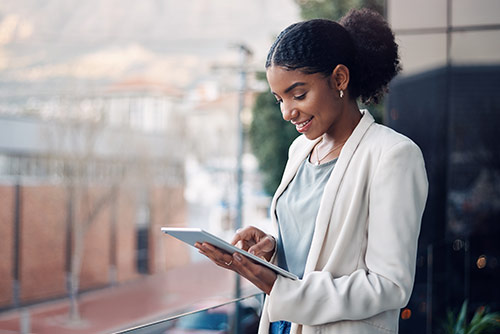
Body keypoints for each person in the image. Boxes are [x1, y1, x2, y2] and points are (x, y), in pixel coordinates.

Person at [195, 8, 428, 334]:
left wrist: (280, 287)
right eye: (279, 99)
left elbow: (389, 286)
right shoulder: (300, 151)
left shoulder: (393, 156)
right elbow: (315, 250)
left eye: (298, 94)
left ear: (339, 79)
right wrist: (273, 252)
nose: (287, 112)